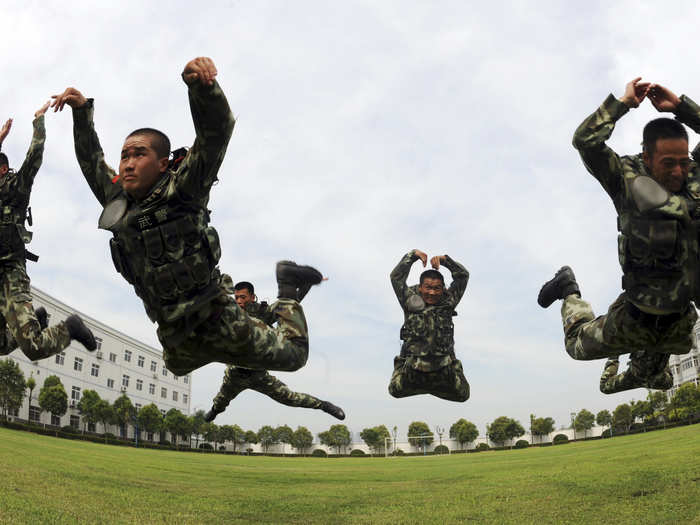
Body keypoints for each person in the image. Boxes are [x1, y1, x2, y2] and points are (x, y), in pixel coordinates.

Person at [52, 57, 323, 376]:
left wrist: (201, 89)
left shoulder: (184, 191)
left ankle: (287, 286)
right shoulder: (117, 201)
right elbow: (91, 160)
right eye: (124, 155)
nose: (128, 163)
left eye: (139, 154)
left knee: (294, 356)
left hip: (219, 320)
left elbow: (215, 135)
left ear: (163, 164)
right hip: (175, 337)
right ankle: (249, 316)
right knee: (177, 368)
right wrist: (81, 112)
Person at [538, 78, 700, 392]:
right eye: (668, 164)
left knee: (654, 377)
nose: (678, 172)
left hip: (680, 322)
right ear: (648, 158)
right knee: (576, 345)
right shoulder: (625, 176)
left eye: (683, 163)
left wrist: (681, 107)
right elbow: (585, 141)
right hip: (634, 317)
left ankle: (651, 367)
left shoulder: (695, 174)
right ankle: (568, 289)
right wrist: (623, 103)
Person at [0, 105, 96, 360]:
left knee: (33, 348)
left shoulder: (15, 187)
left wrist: (38, 122)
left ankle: (70, 328)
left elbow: (34, 156)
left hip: (11, 272)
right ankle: (38, 321)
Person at [204, 278, 345, 422]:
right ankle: (215, 411)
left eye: (243, 297)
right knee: (221, 401)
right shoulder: (230, 314)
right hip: (235, 375)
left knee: (289, 398)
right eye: (236, 297)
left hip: (258, 375)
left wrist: (308, 281)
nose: (239, 301)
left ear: (252, 297)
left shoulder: (261, 313)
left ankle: (323, 405)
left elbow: (288, 306)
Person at [388, 249, 470, 402]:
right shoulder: (409, 300)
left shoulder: (448, 301)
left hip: (443, 368)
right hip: (414, 368)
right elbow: (396, 278)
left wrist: (445, 260)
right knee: (394, 390)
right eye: (428, 287)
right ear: (420, 287)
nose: (432, 293)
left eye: (436, 288)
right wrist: (411, 256)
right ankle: (402, 366)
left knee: (463, 395)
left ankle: (452, 369)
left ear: (443, 288)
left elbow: (463, 276)